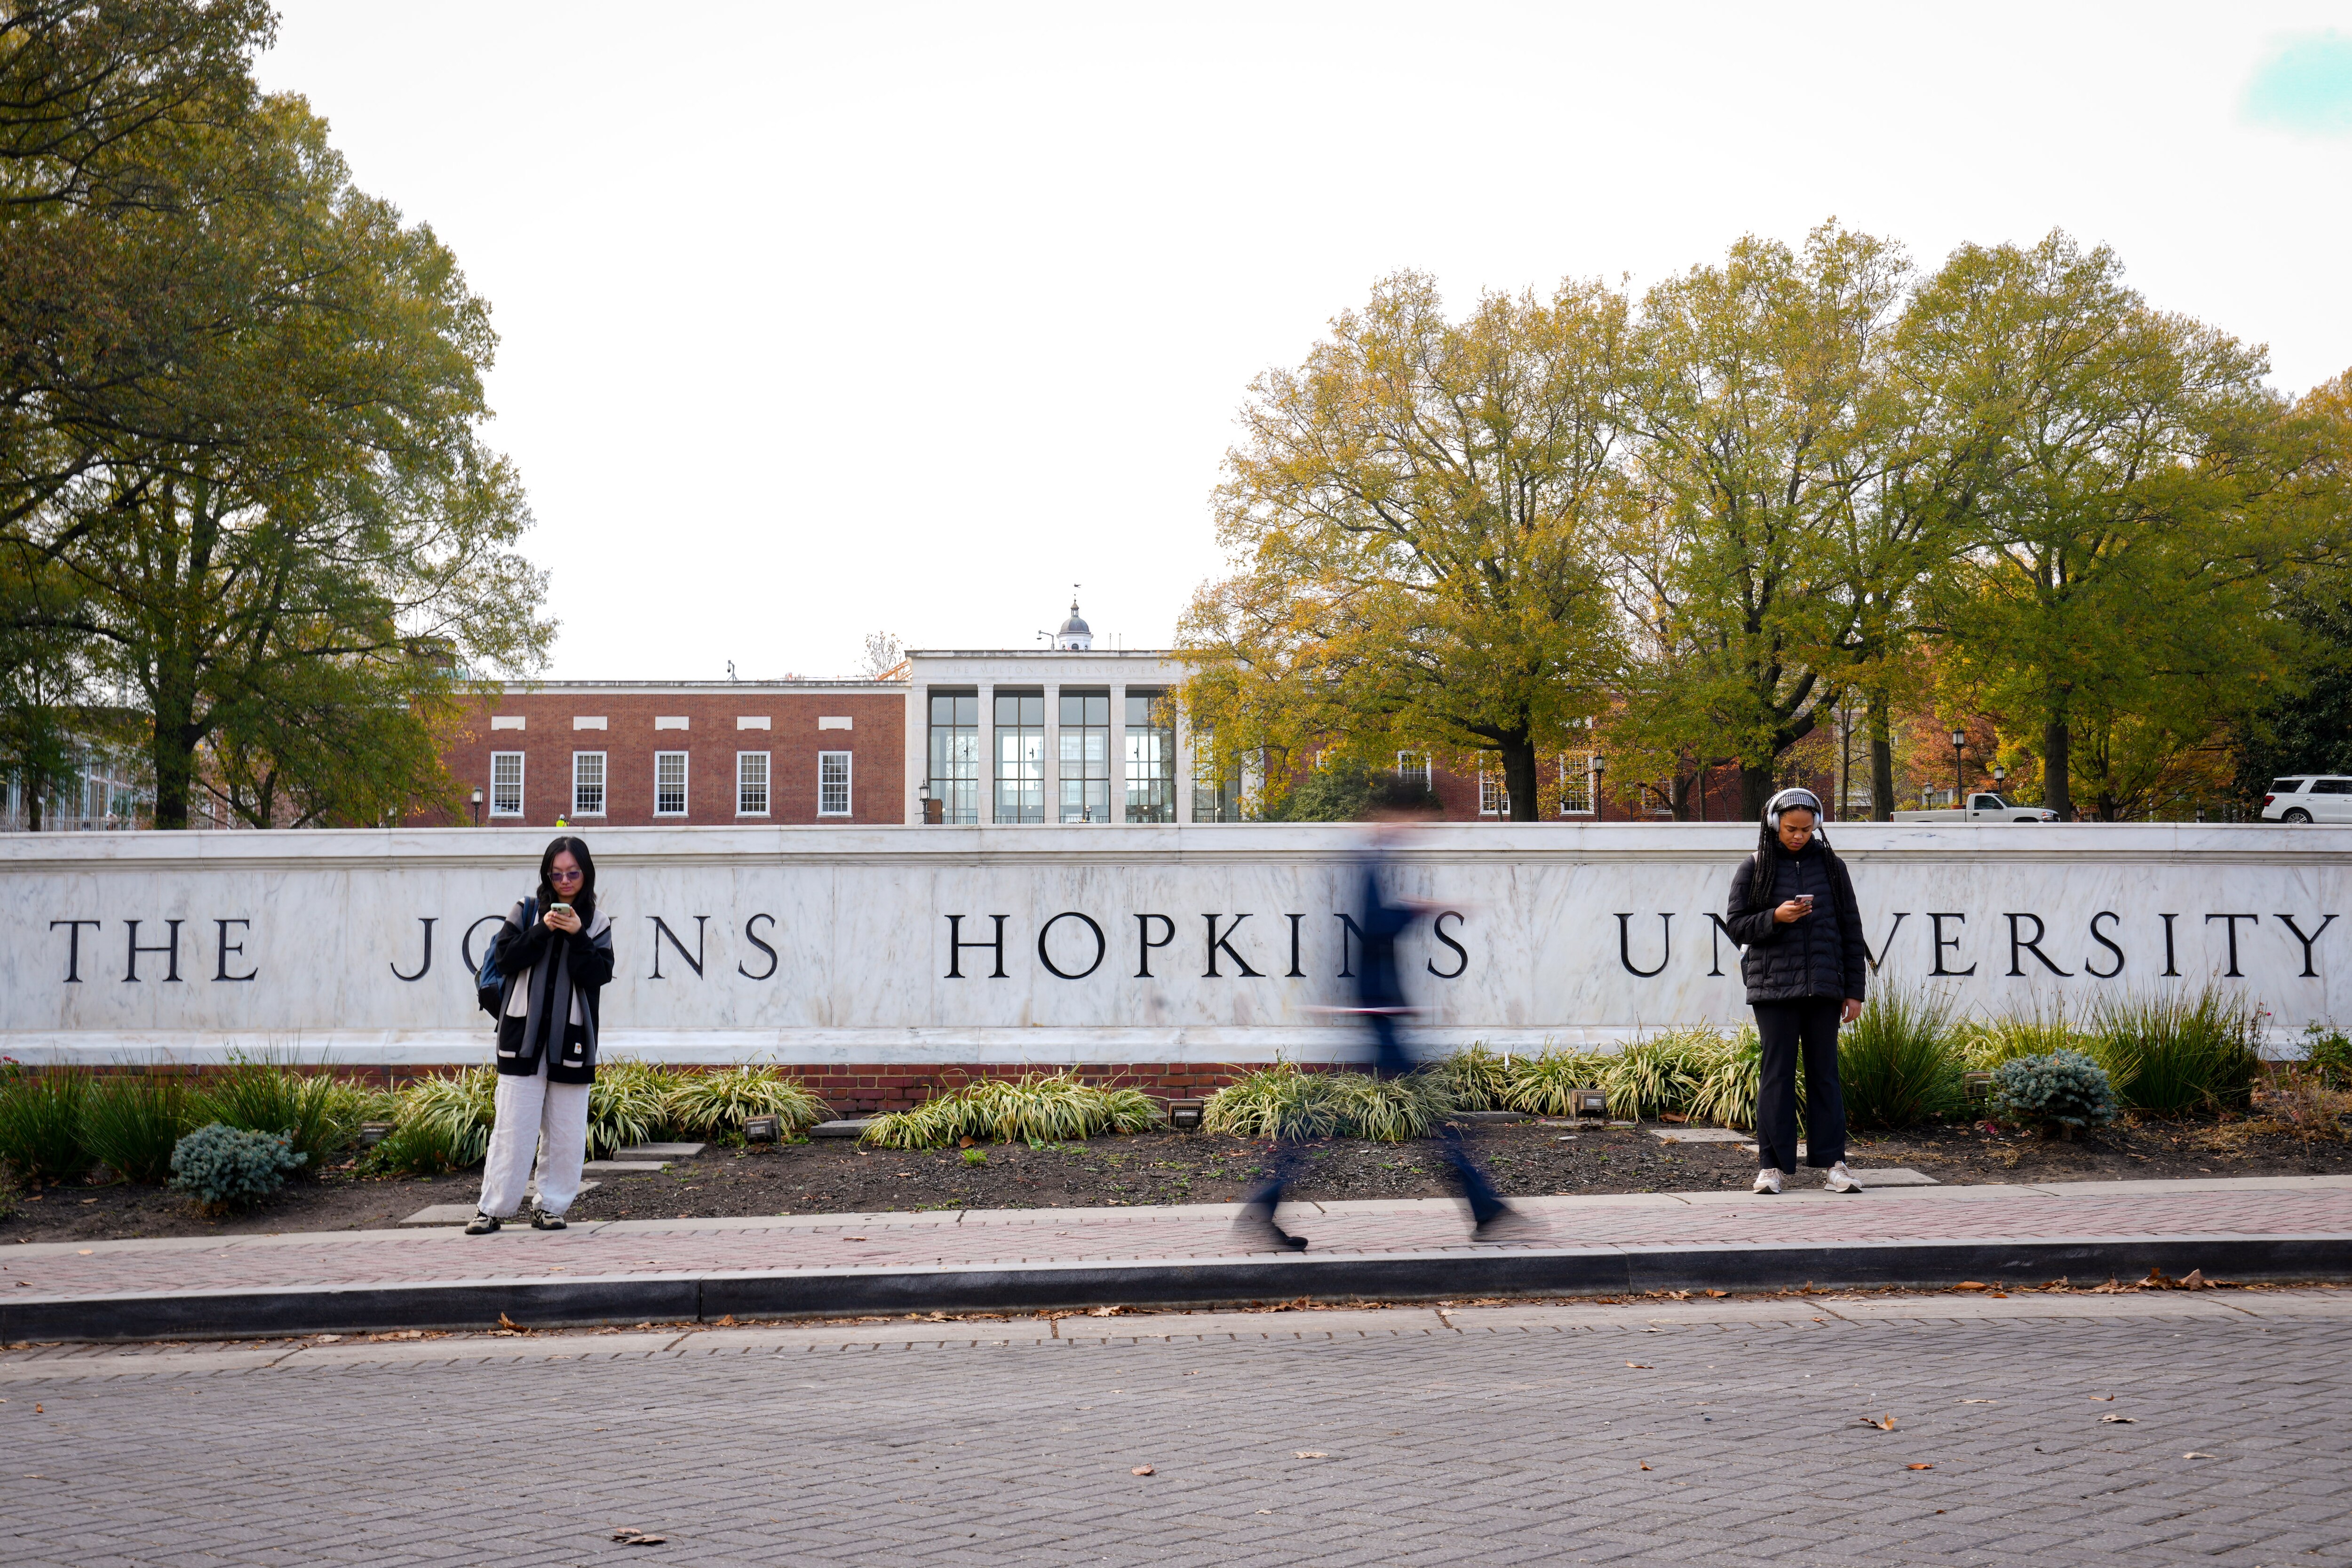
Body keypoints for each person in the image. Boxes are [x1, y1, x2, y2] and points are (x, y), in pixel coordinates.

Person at [1232, 774, 1531, 1250]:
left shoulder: (1372, 856)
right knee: (1424, 1116)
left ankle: (1266, 1204)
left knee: (1342, 1118)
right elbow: (1371, 929)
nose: (1416, 832)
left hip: (1379, 1009)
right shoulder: (1367, 857)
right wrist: (1421, 909)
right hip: (1376, 1011)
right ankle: (1484, 1209)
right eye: (1416, 822)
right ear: (1397, 815)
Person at [466, 836, 615, 1234]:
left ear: (586, 874)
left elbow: (599, 976)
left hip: (573, 1042)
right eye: (558, 873)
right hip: (522, 1038)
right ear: (548, 874)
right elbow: (504, 958)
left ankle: (551, 1206)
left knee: (566, 1132)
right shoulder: (528, 910)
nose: (565, 880)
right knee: (513, 1127)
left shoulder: (597, 923)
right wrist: (544, 930)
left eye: (574, 873)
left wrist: (578, 935)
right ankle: (492, 1209)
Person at [1724, 788, 1867, 1195]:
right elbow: (1736, 925)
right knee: (1777, 1077)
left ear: (1817, 825)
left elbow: (1851, 931)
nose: (1798, 836)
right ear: (1774, 825)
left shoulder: (1833, 867)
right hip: (1774, 990)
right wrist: (1776, 916)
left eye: (1806, 828)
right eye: (1791, 828)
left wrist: (1853, 991)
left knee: (1826, 1077)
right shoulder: (1755, 867)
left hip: (1824, 988)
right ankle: (1771, 1167)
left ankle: (1834, 1164)